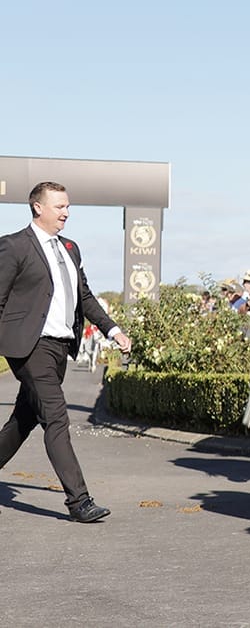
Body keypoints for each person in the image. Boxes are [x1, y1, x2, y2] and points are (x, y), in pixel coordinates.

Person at [0, 181, 133, 522]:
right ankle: (79, 502)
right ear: (37, 208)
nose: (66, 213)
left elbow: (84, 296)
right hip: (29, 347)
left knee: (25, 418)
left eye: (68, 206)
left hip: (60, 346)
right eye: (59, 206)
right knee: (56, 416)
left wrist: (113, 329)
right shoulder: (14, 246)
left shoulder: (70, 248)